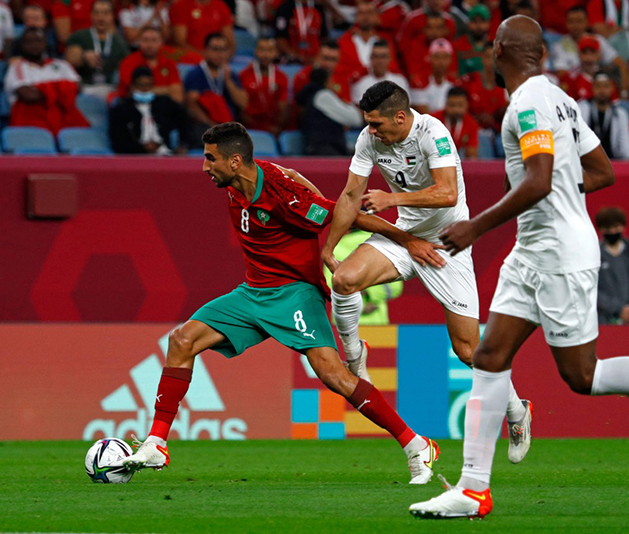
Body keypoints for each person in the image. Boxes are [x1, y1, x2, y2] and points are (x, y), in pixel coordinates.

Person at [410, 15, 629, 520]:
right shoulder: (561, 101)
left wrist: (475, 227)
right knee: (489, 356)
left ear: (500, 50)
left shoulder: (529, 103)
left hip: (560, 254)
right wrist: (552, 195)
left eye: (491, 48)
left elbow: (539, 180)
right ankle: (473, 489)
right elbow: (601, 171)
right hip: (532, 249)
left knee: (583, 376)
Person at [121, 122, 442, 485]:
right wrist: (298, 179)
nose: (205, 166)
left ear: (234, 161)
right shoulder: (240, 180)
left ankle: (416, 444)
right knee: (182, 340)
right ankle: (156, 443)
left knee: (334, 376)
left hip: (294, 293)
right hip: (252, 292)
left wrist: (408, 241)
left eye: (211, 159)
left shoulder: (283, 197)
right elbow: (287, 171)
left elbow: (345, 214)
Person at [321, 80, 533, 466]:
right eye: (367, 123)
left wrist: (392, 198)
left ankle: (517, 411)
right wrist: (328, 247)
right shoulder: (369, 140)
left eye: (376, 124)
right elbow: (350, 197)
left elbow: (447, 193)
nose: (370, 131)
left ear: (400, 118)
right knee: (344, 279)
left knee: (468, 351)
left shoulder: (433, 133)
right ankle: (355, 357)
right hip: (406, 235)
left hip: (448, 243)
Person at [4, 27, 89, 135]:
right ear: (22, 45)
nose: (34, 45)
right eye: (29, 42)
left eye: (38, 41)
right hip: (31, 122)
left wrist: (42, 89)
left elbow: (77, 87)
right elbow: (28, 95)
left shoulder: (61, 65)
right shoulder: (16, 68)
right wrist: (62, 88)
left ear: (45, 42)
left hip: (64, 119)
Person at [323, 226, 404, 326]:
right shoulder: (383, 246)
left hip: (344, 322)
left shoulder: (336, 248)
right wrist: (369, 292)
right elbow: (395, 288)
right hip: (376, 322)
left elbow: (330, 286)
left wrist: (356, 291)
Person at [551, 5, 629, 99]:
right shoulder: (560, 46)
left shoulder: (598, 40)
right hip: (576, 92)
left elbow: (622, 65)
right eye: (571, 21)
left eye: (579, 21)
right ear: (566, 23)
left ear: (587, 22)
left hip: (601, 88)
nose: (575, 25)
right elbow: (562, 75)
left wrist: (624, 93)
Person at [109, 66, 191, 154]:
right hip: (135, 155)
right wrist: (142, 147)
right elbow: (118, 140)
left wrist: (183, 145)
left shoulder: (165, 104)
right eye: (141, 85)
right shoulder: (121, 109)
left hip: (165, 153)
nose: (145, 89)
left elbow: (185, 121)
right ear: (132, 86)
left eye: (148, 85)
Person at [595, 207, 629, 324]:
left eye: (616, 227)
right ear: (601, 229)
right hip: (602, 321)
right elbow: (591, 288)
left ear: (623, 227)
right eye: (607, 228)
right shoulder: (593, 255)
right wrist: (618, 309)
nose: (612, 232)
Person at [64, 0, 130, 98]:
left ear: (112, 16)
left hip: (112, 90)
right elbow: (70, 59)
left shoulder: (120, 43)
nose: (100, 18)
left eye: (105, 13)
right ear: (91, 15)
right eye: (97, 13)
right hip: (85, 88)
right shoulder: (79, 36)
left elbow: (127, 69)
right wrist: (83, 56)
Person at [184, 33, 248, 133]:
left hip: (229, 127)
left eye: (223, 49)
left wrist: (228, 81)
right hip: (204, 128)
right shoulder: (195, 74)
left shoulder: (231, 75)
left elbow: (243, 103)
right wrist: (212, 127)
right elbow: (191, 105)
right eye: (215, 49)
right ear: (205, 50)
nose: (219, 54)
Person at [296, 67, 363, 156]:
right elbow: (356, 119)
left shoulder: (311, 96)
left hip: (321, 146)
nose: (333, 83)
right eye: (331, 80)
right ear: (326, 81)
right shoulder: (323, 96)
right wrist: (346, 104)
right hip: (325, 148)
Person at [338, 0, 401, 84]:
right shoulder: (345, 41)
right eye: (361, 13)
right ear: (356, 16)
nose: (365, 17)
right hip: (354, 87)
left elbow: (393, 68)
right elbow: (341, 70)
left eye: (369, 12)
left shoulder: (386, 42)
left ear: (376, 16)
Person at [239, 36, 289, 136]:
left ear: (276, 53)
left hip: (274, 129)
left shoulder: (281, 77)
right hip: (249, 129)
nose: (265, 54)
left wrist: (277, 128)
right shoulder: (244, 75)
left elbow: (283, 108)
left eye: (270, 50)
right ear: (255, 52)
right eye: (261, 49)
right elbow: (241, 109)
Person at [117, 27, 183, 103]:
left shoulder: (169, 63)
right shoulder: (128, 62)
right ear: (139, 41)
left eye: (154, 40)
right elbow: (134, 92)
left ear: (161, 42)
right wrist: (168, 90)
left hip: (164, 106)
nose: (150, 45)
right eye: (145, 40)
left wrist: (147, 90)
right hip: (134, 104)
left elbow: (178, 97)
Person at [579, 72, 629, 160]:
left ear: (612, 88)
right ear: (592, 88)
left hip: (612, 161)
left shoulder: (620, 114)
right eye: (598, 86)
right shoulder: (582, 108)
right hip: (585, 161)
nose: (602, 90)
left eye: (606, 86)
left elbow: (624, 142)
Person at [461, 45, 508, 132]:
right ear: (482, 58)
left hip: (498, 131)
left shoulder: (506, 85)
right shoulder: (470, 81)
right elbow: (461, 109)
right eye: (488, 57)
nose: (491, 62)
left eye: (495, 58)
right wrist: (477, 117)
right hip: (473, 130)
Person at [351, 39, 410, 105]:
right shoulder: (360, 83)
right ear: (370, 59)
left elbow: (405, 106)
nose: (380, 61)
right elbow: (360, 109)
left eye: (383, 56)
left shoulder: (400, 82)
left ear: (389, 59)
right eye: (376, 56)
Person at [169, 0, 234, 58]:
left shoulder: (221, 6)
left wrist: (226, 55)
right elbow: (180, 42)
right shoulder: (181, 6)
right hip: (189, 58)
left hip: (214, 59)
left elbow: (230, 40)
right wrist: (204, 56)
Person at [409, 38, 457, 114]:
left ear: (450, 59)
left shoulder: (455, 83)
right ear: (430, 58)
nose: (441, 62)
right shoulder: (419, 82)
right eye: (437, 57)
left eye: (445, 57)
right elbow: (423, 113)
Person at [432, 86, 480, 158]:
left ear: (467, 105)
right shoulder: (433, 120)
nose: (456, 110)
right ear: (446, 104)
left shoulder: (471, 123)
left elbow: (471, 155)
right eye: (452, 105)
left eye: (460, 105)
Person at [274, 0, 328, 65]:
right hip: (291, 61)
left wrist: (317, 58)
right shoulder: (285, 8)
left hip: (315, 59)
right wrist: (298, 57)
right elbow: (280, 40)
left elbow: (324, 38)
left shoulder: (318, 8)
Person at [453, 4, 491, 76]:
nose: (479, 26)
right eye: (475, 21)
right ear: (469, 24)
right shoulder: (459, 45)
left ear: (488, 23)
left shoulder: (494, 46)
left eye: (482, 21)